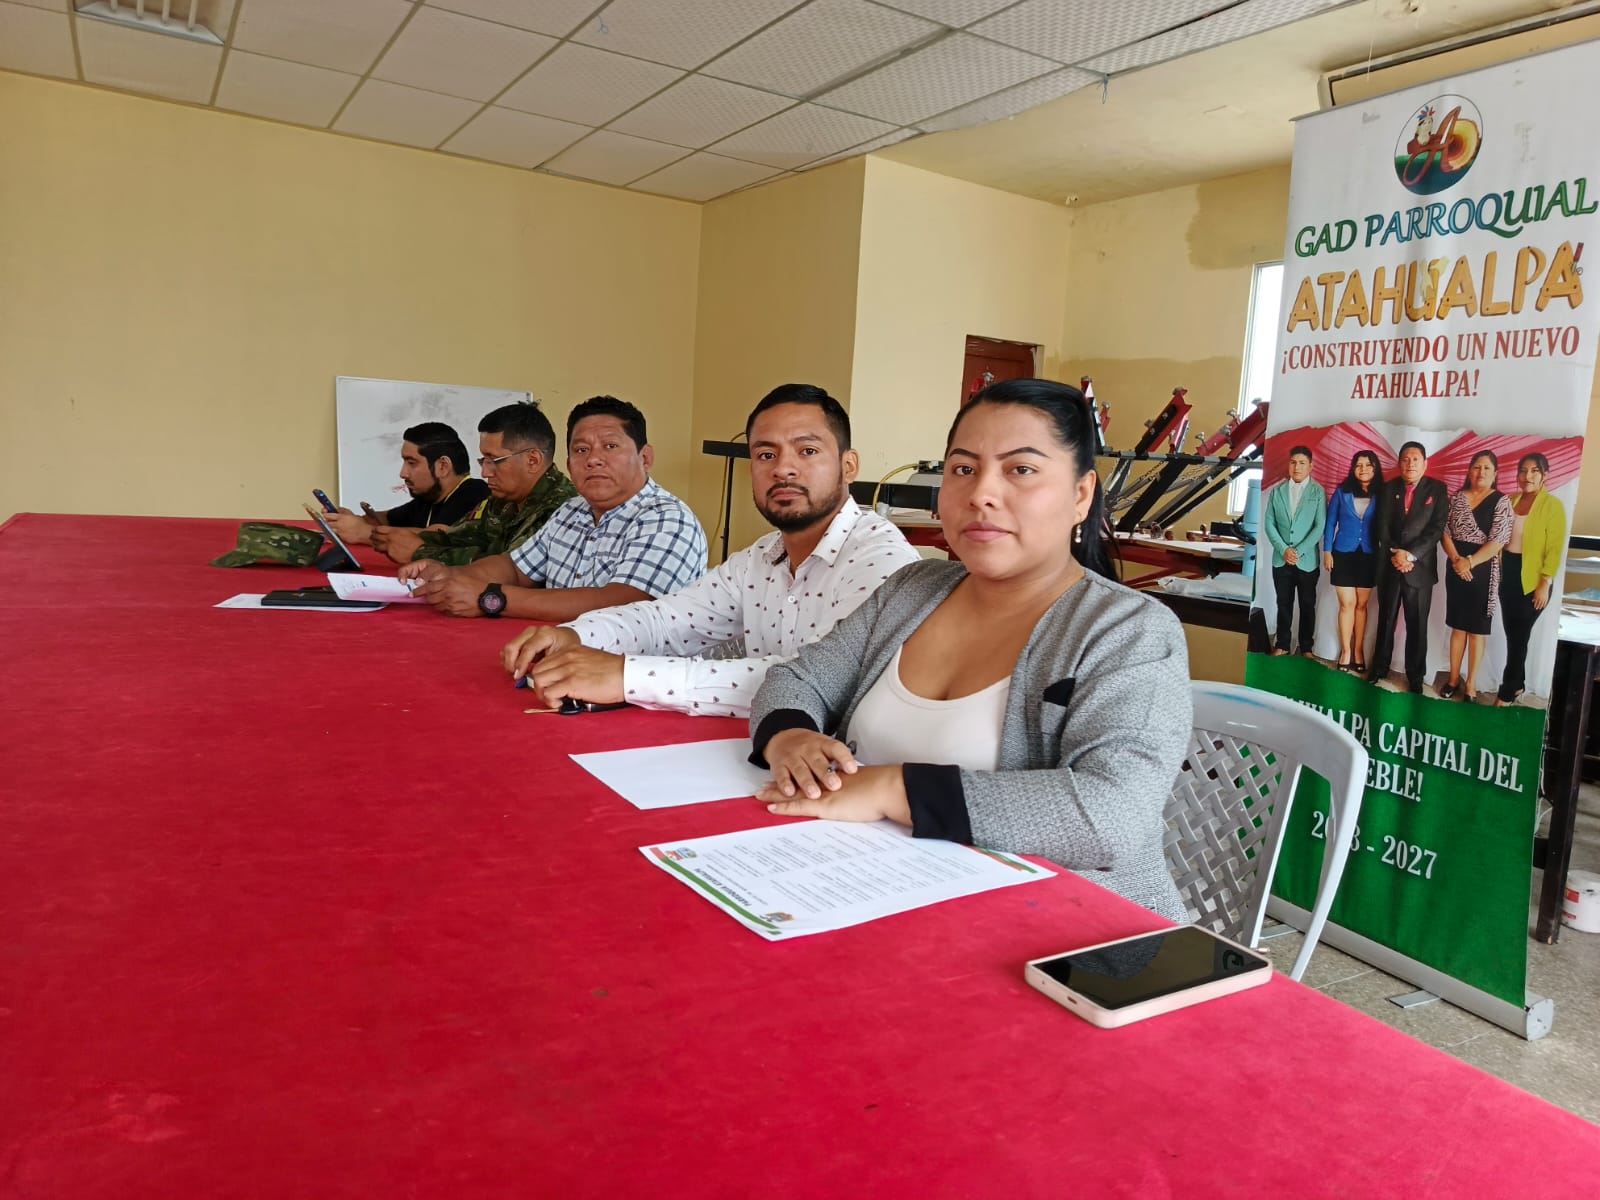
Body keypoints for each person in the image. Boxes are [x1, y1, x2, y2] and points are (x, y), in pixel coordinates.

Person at [746, 378, 1191, 921]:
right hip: (880, 895)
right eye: (963, 469)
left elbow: (1113, 814)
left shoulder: (1128, 630)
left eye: (1020, 469)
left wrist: (895, 788)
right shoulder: (913, 590)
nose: (981, 493)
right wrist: (790, 737)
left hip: (1072, 930)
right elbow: (797, 680)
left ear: (1080, 495)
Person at [500, 384, 920, 715]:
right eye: (765, 454)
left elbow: (814, 678)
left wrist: (627, 677)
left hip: (851, 774)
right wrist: (576, 635)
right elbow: (666, 621)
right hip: (764, 752)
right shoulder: (762, 558)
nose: (783, 468)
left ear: (849, 466)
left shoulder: (881, 559)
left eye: (807, 451)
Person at [400, 396, 705, 621]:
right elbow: (514, 569)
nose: (593, 459)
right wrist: (451, 576)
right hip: (560, 656)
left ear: (645, 458)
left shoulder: (667, 519)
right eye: (581, 449)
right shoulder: (571, 512)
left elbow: (622, 603)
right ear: (569, 464)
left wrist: (491, 598)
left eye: (610, 446)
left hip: (636, 676)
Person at [402, 402, 576, 568]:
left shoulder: (563, 511)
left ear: (532, 460)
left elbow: (508, 569)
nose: (485, 473)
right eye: (484, 460)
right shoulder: (501, 501)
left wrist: (421, 552)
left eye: (494, 460)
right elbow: (458, 537)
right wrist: (410, 540)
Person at [327, 422, 490, 564]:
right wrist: (351, 520)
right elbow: (387, 519)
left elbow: (439, 537)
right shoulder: (430, 497)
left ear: (443, 466)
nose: (403, 473)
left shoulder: (474, 492)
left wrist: (364, 533)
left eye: (412, 463)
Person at [1367, 441, 1448, 693]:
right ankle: (1379, 667)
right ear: (1399, 463)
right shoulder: (1388, 488)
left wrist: (1410, 555)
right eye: (1405, 459)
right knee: (1386, 619)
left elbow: (1436, 529)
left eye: (1415, 459)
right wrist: (1396, 554)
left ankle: (1415, 676)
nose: (1410, 464)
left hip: (1419, 569)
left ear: (1425, 463)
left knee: (1417, 625)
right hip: (1390, 565)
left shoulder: (1437, 489)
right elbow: (1381, 526)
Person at [1440, 451, 1512, 701]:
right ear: (1469, 471)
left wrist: (1469, 562)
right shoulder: (1456, 498)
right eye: (1476, 467)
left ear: (1495, 473)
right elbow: (1444, 531)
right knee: (1458, 627)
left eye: (1486, 468)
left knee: (1477, 631)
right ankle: (1452, 679)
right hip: (1455, 565)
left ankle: (1471, 684)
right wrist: (1456, 560)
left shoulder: (1501, 501)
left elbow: (1498, 541)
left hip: (1483, 569)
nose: (1481, 472)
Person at [1498, 452, 1566, 706]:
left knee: (1519, 634)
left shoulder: (1552, 506)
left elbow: (1555, 549)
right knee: (1513, 634)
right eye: (1523, 471)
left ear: (1544, 474)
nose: (1528, 476)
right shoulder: (1509, 500)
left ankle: (1506, 692)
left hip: (1534, 578)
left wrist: (1544, 583)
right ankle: (1518, 684)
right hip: (1508, 574)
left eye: (1534, 471)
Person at [1322, 449, 1383, 673]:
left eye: (1368, 465)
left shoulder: (1383, 493)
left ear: (1375, 468)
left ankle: (1358, 650)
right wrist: (1327, 551)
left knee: (1361, 606)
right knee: (1346, 604)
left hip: (1369, 555)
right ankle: (1346, 651)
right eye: (1358, 465)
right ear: (1353, 468)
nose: (1363, 469)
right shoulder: (1342, 492)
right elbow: (1330, 523)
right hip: (1343, 553)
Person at [1263, 445, 1325, 657]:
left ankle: (1306, 647)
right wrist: (1284, 550)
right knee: (1283, 603)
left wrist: (1297, 551)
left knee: (1307, 604)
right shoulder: (1277, 491)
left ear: (1310, 466)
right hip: (1281, 559)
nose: (1297, 467)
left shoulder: (1318, 492)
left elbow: (1319, 526)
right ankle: (1282, 644)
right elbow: (1269, 524)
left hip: (1307, 560)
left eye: (1302, 463)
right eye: (1293, 462)